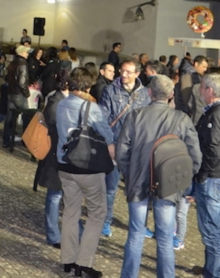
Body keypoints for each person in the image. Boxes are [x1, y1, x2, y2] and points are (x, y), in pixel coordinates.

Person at [116, 75, 202, 278]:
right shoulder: (182, 119)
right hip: (168, 184)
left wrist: (130, 173)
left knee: (136, 235)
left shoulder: (136, 115)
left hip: (138, 182)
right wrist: (182, 181)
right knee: (165, 239)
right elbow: (195, 157)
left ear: (149, 93)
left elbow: (121, 152)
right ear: (171, 94)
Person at [55, 68, 113, 278]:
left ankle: (68, 260)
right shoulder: (91, 107)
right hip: (87, 167)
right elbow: (108, 136)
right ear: (88, 87)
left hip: (64, 164)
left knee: (71, 212)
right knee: (97, 213)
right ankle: (84, 263)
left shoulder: (61, 104)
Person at [97, 57, 151, 237]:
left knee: (138, 189)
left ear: (137, 74)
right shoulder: (110, 90)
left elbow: (148, 120)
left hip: (136, 148)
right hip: (114, 145)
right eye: (122, 71)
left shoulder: (145, 94)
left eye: (128, 72)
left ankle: (140, 225)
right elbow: (102, 119)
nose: (124, 74)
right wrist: (109, 143)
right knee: (110, 188)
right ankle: (105, 221)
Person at [193, 73, 220, 278]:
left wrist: (201, 175)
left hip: (213, 178)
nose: (200, 90)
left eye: (202, 87)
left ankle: (213, 272)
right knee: (217, 226)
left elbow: (213, 151)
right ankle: (216, 267)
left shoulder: (216, 115)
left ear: (210, 90)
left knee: (210, 230)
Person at [35, 68, 70, 249]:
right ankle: (53, 234)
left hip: (64, 154)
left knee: (62, 195)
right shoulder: (56, 102)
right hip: (56, 155)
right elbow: (56, 128)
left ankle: (67, 231)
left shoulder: (66, 100)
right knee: (55, 195)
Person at [3, 45, 30, 149]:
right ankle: (26, 141)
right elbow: (22, 82)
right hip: (19, 94)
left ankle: (6, 140)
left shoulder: (13, 63)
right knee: (27, 116)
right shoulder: (22, 64)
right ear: (22, 52)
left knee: (10, 118)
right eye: (26, 52)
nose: (27, 54)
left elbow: (7, 77)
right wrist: (27, 94)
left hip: (11, 92)